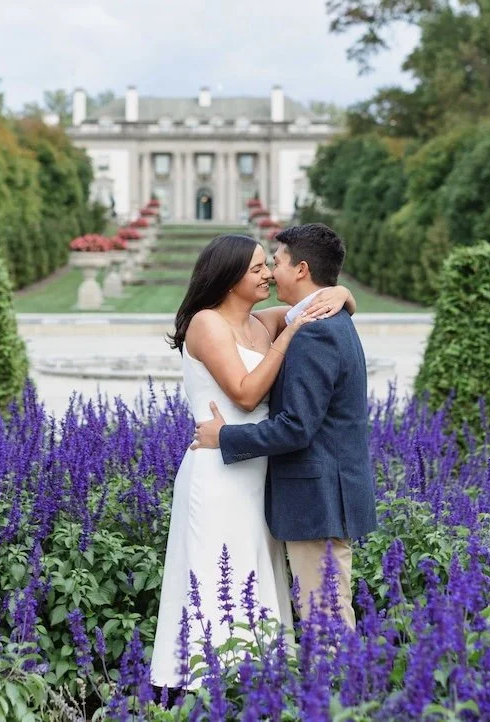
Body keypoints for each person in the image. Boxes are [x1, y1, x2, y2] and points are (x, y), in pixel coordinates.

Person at [149, 232, 357, 688]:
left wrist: (342, 293)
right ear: (228, 279)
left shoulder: (263, 323)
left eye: (270, 264)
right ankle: (206, 683)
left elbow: (318, 301)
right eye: (257, 268)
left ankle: (258, 682)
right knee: (216, 570)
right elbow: (244, 395)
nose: (267, 273)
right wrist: (290, 337)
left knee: (255, 574)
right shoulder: (207, 323)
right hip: (218, 470)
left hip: (255, 472)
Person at [191, 223, 377, 629]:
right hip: (314, 494)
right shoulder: (325, 321)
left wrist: (224, 437)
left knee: (324, 617)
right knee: (324, 609)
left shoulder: (314, 335)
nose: (272, 272)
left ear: (302, 269)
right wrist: (343, 293)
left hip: (318, 497)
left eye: (276, 263)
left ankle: (340, 691)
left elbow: (296, 427)